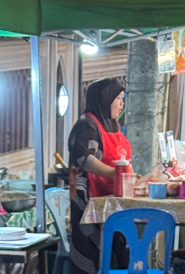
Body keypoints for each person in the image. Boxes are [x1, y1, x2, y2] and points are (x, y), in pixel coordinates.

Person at [67, 79, 130, 274]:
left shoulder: (112, 124)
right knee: (96, 254)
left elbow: (123, 158)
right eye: (118, 99)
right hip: (88, 202)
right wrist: (114, 174)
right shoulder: (87, 125)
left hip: (111, 201)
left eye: (122, 99)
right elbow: (83, 158)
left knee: (116, 254)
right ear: (105, 99)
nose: (122, 104)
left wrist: (132, 178)